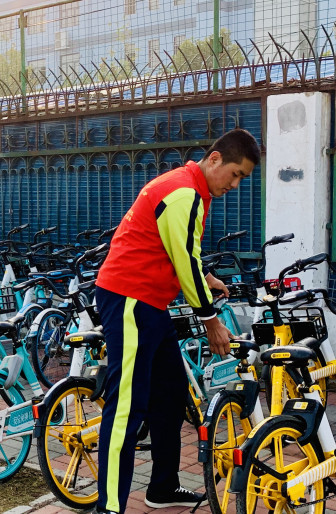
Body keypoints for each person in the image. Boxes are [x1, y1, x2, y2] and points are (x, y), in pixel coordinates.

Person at [92, 128, 260, 513]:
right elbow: (183, 258)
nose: (235, 184)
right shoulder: (184, 191)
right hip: (131, 299)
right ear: (215, 159)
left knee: (169, 394)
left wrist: (207, 278)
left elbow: (179, 249)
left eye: (242, 179)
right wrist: (210, 319)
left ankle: (163, 487)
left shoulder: (192, 189)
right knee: (126, 408)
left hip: (149, 302)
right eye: (235, 174)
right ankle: (110, 507)